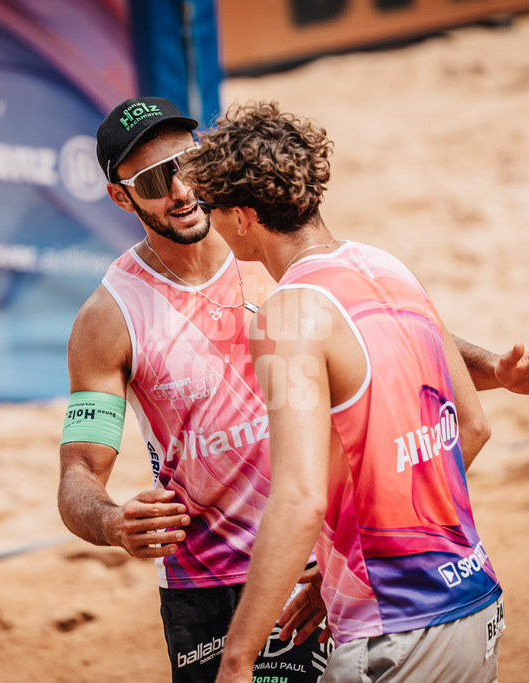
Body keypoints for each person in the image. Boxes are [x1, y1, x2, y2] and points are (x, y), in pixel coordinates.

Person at [56, 96, 529, 682]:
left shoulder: (270, 254)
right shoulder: (109, 318)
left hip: (340, 563)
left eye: (188, 162)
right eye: (156, 179)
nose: (181, 188)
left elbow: (382, 344)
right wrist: (110, 523)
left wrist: (495, 369)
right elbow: (79, 473)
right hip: (220, 581)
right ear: (120, 196)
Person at [180, 100, 508, 682]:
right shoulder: (388, 267)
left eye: (211, 206)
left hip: (394, 631)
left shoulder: (287, 315)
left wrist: (236, 660)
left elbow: (300, 498)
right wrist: (342, 571)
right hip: (474, 603)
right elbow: (473, 427)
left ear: (244, 217)